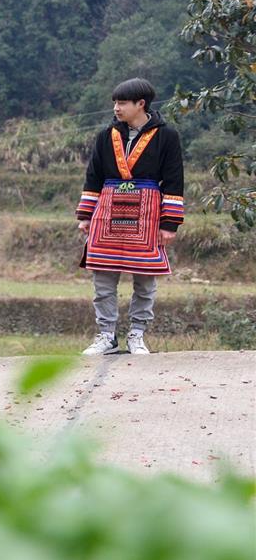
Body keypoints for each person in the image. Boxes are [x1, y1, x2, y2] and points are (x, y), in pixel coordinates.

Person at [77, 78, 184, 356]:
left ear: (141, 104)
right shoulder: (106, 136)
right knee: (103, 277)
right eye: (115, 102)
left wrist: (169, 223)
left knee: (145, 277)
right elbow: (94, 177)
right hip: (108, 210)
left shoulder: (167, 136)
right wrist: (86, 214)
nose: (116, 108)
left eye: (122, 103)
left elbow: (174, 180)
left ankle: (137, 334)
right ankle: (106, 335)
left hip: (147, 213)